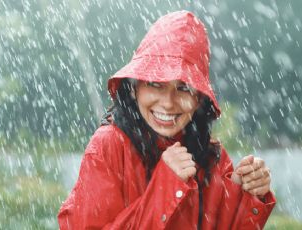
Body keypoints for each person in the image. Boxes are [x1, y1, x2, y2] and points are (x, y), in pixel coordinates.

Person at [58, 10, 275, 229]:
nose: (169, 102)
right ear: (134, 89)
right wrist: (166, 186)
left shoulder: (211, 156)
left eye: (183, 88)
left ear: (199, 100)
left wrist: (246, 194)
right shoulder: (108, 146)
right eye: (155, 84)